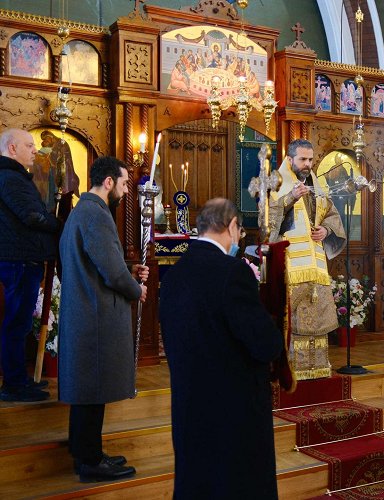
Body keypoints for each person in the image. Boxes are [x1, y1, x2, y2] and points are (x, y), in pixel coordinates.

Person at [160, 198, 282, 498]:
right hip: (232, 412)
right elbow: (265, 343)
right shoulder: (232, 272)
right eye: (239, 231)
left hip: (190, 407)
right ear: (231, 226)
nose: (239, 239)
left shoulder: (175, 274)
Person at [58, 156, 148, 482]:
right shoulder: (96, 215)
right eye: (124, 184)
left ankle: (86, 452)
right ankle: (91, 461)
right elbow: (110, 271)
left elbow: (101, 261)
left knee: (88, 389)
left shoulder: (83, 212)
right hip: (94, 316)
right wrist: (135, 288)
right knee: (92, 390)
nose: (126, 190)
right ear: (108, 182)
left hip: (85, 310)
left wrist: (129, 269)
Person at [268, 139, 347, 380]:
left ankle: (318, 368)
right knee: (294, 318)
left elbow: (331, 214)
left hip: (316, 265)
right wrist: (290, 197)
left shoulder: (316, 184)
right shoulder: (277, 182)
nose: (308, 164)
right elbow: (268, 222)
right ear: (290, 159)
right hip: (291, 263)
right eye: (303, 159)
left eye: (311, 160)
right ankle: (291, 369)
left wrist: (326, 230)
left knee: (318, 316)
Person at [0, 128, 59, 402]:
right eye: (29, 145)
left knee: (19, 323)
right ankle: (14, 385)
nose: (35, 150)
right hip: (20, 260)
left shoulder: (13, 176)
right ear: (13, 149)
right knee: (16, 323)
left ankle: (19, 380)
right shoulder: (10, 177)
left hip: (22, 258)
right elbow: (32, 217)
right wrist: (61, 224)